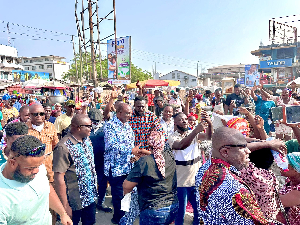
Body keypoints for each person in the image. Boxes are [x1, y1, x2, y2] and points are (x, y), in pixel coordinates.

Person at [196, 127, 270, 224]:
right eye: (242, 148)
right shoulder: (235, 188)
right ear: (225, 152)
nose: (249, 151)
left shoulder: (204, 168)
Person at [0, 135, 72, 225]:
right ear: (12, 163)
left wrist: (62, 213)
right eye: (30, 169)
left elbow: (46, 189)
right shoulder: (2, 198)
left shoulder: (36, 166)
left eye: (38, 166)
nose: (37, 171)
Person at [104, 102, 148, 224]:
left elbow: (130, 146)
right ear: (119, 113)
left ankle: (120, 218)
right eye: (127, 113)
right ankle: (119, 220)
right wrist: (130, 150)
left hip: (127, 167)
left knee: (127, 196)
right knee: (118, 197)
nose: (130, 115)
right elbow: (112, 146)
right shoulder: (110, 126)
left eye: (130, 113)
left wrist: (134, 155)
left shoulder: (128, 126)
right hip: (116, 168)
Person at [123, 131, 178, 225]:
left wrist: (126, 198)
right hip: (173, 206)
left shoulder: (144, 162)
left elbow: (127, 186)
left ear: (149, 143)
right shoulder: (170, 156)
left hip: (153, 209)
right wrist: (147, 154)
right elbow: (158, 158)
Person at [168, 112, 212, 225]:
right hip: (181, 183)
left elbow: (209, 137)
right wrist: (196, 131)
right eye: (181, 119)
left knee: (198, 210)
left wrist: (210, 123)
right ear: (175, 123)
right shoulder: (172, 137)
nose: (185, 121)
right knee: (180, 213)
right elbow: (181, 145)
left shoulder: (193, 134)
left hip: (195, 181)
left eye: (185, 119)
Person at [53, 114, 98, 225]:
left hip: (89, 197)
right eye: (88, 126)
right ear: (78, 127)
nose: (90, 128)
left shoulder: (87, 140)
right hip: (74, 200)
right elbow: (59, 178)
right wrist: (65, 206)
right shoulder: (63, 147)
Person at [87, 108, 112, 213]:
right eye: (93, 121)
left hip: (102, 161)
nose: (95, 123)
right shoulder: (85, 129)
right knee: (89, 182)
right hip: (89, 161)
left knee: (102, 183)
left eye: (97, 121)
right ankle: (89, 204)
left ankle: (100, 202)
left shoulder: (106, 129)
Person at [27, 103, 59, 183]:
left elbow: (56, 146)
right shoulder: (25, 129)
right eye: (36, 114)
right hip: (32, 172)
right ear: (30, 115)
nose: (39, 116)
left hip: (49, 171)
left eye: (41, 114)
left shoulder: (51, 127)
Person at [279, 152, 300, 224]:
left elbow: (277, 202)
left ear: (295, 169)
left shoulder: (299, 190)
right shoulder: (289, 181)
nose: (280, 165)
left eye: (285, 164)